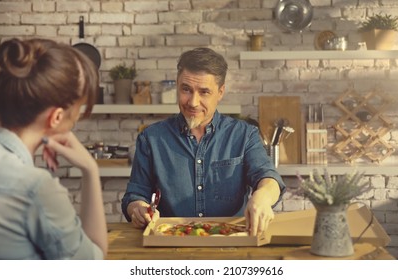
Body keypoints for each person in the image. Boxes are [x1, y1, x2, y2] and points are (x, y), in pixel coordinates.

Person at [121, 47, 285, 236]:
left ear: (220, 92)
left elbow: (269, 178)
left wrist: (262, 198)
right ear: (177, 85)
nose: (193, 102)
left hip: (231, 244)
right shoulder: (151, 138)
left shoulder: (244, 134)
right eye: (186, 90)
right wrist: (138, 209)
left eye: (204, 92)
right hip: (170, 245)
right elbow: (134, 195)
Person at [0, 38, 107, 259]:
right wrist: (90, 170)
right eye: (77, 112)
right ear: (56, 117)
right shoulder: (36, 188)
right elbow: (94, 262)